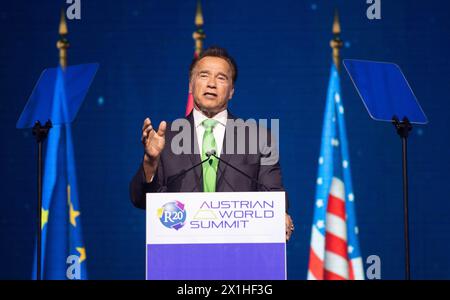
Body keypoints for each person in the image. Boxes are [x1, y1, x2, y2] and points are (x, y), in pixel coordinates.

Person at [129, 46, 294, 240]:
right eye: (204, 76)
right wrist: (150, 162)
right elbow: (140, 200)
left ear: (231, 91)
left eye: (221, 78)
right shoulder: (166, 138)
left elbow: (274, 195)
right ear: (190, 85)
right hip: (181, 252)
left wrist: (279, 215)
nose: (212, 84)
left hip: (241, 251)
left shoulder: (258, 138)